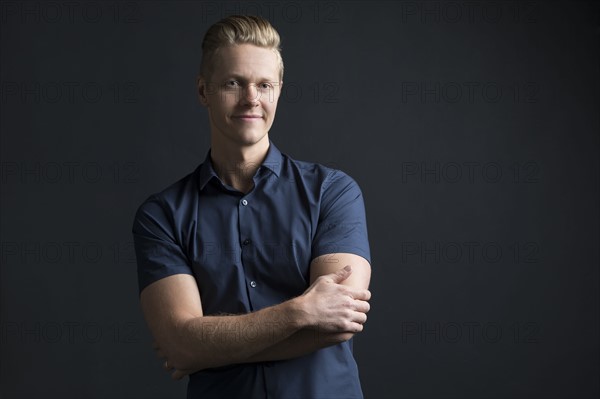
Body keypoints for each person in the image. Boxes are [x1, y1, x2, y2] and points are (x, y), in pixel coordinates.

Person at [132, 15, 372, 399]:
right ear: (202, 90)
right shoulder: (162, 216)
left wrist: (203, 348)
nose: (251, 99)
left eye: (264, 85)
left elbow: (338, 323)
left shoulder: (333, 191)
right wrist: (298, 312)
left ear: (278, 91)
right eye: (233, 83)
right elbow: (179, 343)